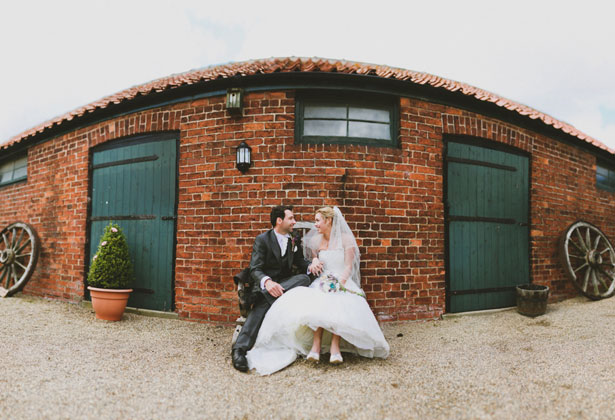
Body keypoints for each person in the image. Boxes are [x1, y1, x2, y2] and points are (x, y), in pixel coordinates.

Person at [246, 206, 389, 375]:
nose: (315, 225)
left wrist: (339, 284)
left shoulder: (345, 240)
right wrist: (314, 261)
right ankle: (316, 344)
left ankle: (334, 346)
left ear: (328, 221)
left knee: (339, 300)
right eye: (314, 221)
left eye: (317, 220)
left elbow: (349, 267)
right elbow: (311, 260)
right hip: (322, 281)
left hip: (342, 280)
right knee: (319, 302)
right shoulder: (315, 241)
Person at [231, 205, 314, 372]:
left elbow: (300, 262)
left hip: (284, 284)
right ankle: (239, 350)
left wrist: (313, 264)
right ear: (279, 220)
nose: (294, 222)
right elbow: (255, 268)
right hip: (267, 286)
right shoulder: (262, 240)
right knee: (265, 300)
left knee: (304, 278)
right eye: (291, 218)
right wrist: (268, 283)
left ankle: (264, 298)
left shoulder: (294, 239)